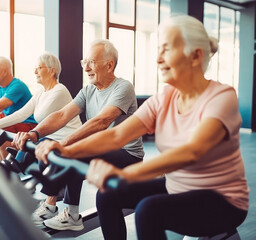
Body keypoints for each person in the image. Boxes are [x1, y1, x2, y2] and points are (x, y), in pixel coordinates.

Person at [35, 15, 249, 240]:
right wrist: (66, 150)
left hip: (222, 198)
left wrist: (123, 173)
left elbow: (192, 152)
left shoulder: (222, 96)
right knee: (108, 194)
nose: (157, 59)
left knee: (149, 211)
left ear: (195, 55)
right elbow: (117, 135)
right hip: (180, 185)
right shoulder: (166, 95)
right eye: (158, 50)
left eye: (166, 49)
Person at [13, 39, 144, 231]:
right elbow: (62, 115)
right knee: (56, 144)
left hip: (127, 154)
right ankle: (66, 211)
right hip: (101, 147)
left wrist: (63, 144)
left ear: (110, 65)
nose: (86, 68)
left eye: (91, 62)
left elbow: (101, 121)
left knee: (76, 150)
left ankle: (54, 204)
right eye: (84, 62)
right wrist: (35, 134)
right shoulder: (89, 89)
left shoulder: (123, 87)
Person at [0, 52, 82, 159]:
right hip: (48, 137)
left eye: (39, 68)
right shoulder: (41, 92)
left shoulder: (59, 91)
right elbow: (21, 114)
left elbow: (41, 116)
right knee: (19, 155)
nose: (35, 71)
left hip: (65, 139)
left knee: (23, 152)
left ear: (52, 71)